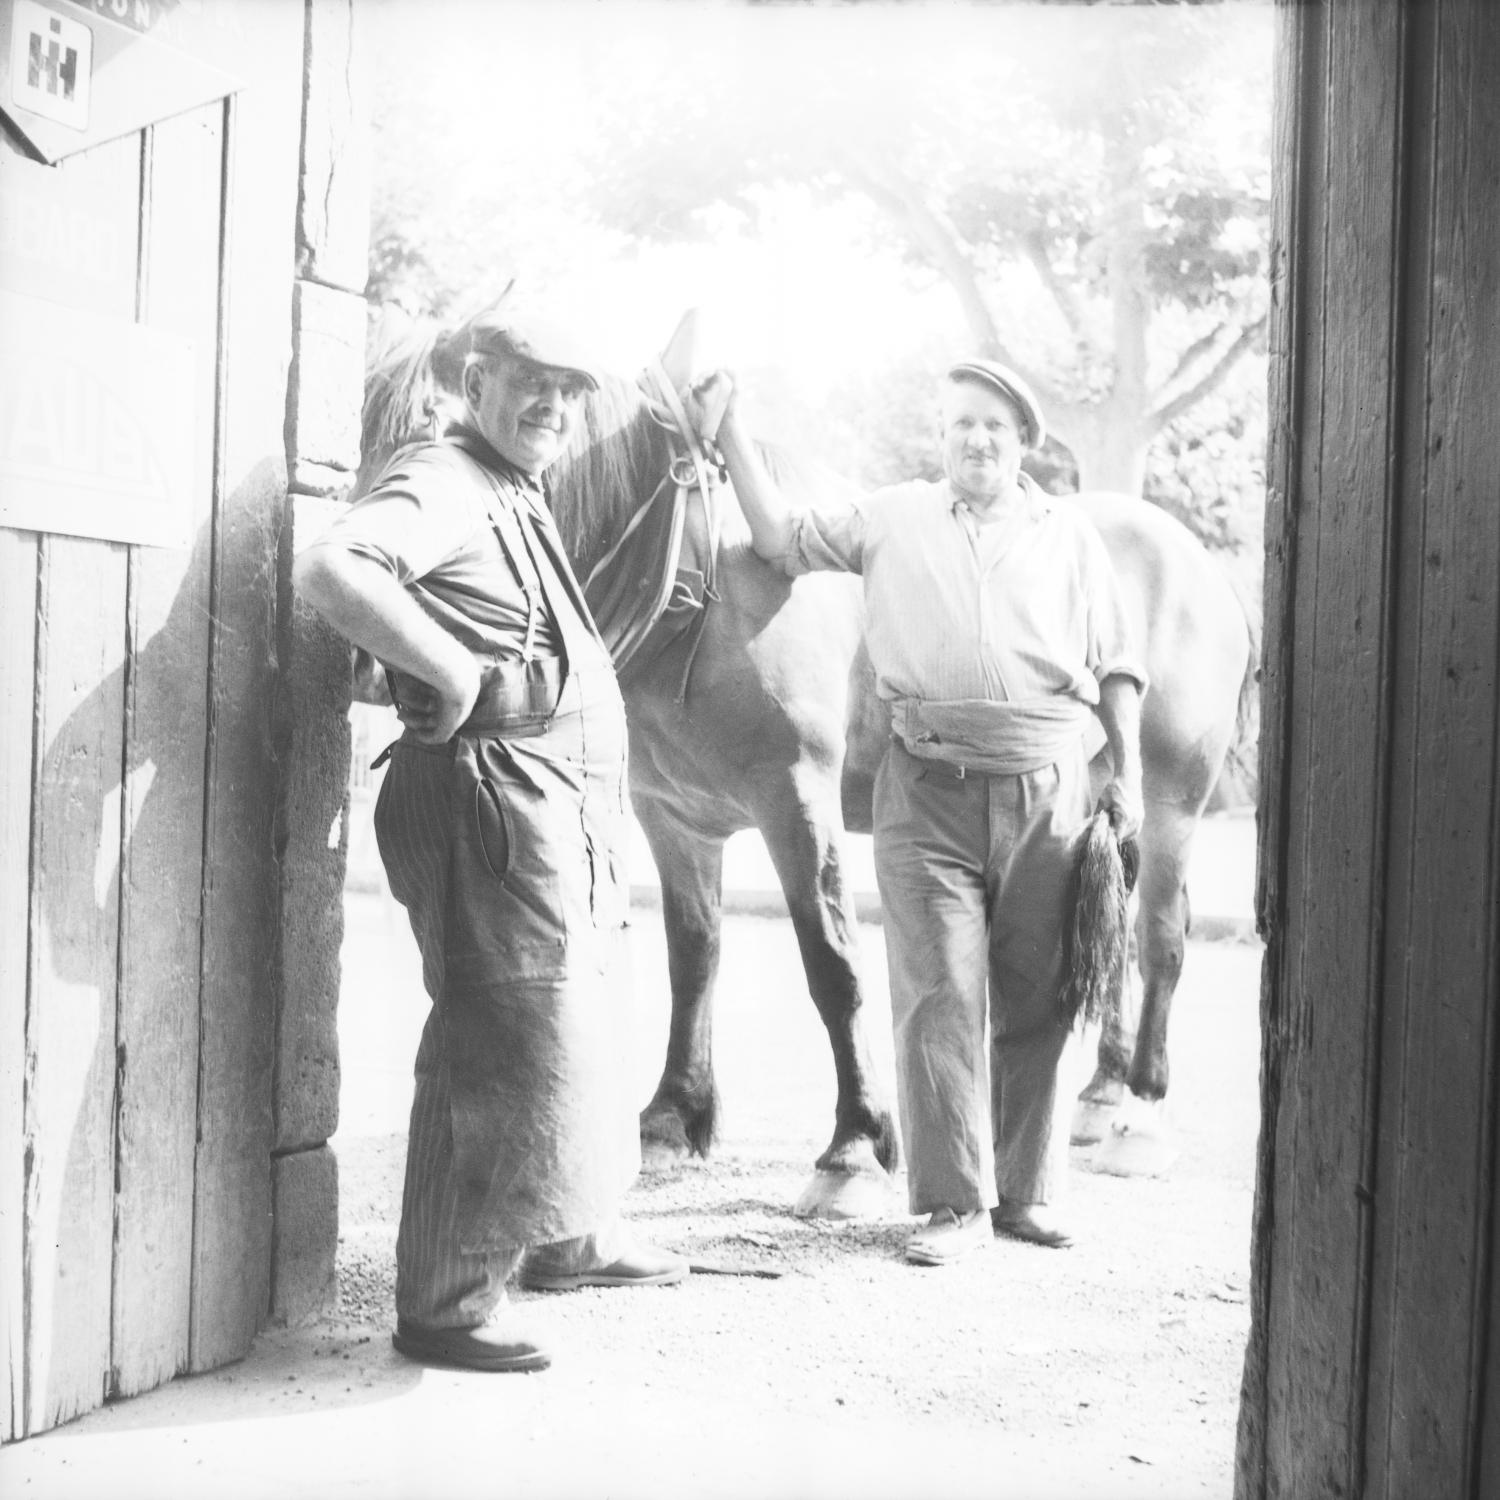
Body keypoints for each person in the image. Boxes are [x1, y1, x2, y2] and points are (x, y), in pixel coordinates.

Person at [294, 305, 688, 1373]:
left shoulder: (510, 480)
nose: (551, 403)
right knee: (503, 1030)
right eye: (529, 379)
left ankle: (567, 1232)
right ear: (476, 379)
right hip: (493, 797)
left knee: (578, 1017)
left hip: (552, 797)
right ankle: (447, 1305)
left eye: (568, 388)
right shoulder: (445, 473)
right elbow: (337, 570)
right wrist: (451, 671)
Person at [683, 360, 1146, 1264]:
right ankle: (953, 1206)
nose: (977, 440)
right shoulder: (891, 516)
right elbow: (777, 536)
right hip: (926, 791)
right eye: (962, 424)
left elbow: (1119, 664)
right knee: (937, 993)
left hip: (1049, 788)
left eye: (996, 428)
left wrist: (1123, 774)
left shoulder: (1069, 537)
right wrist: (731, 425)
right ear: (944, 436)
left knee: (1040, 995)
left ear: (1025, 444)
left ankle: (1029, 1193)